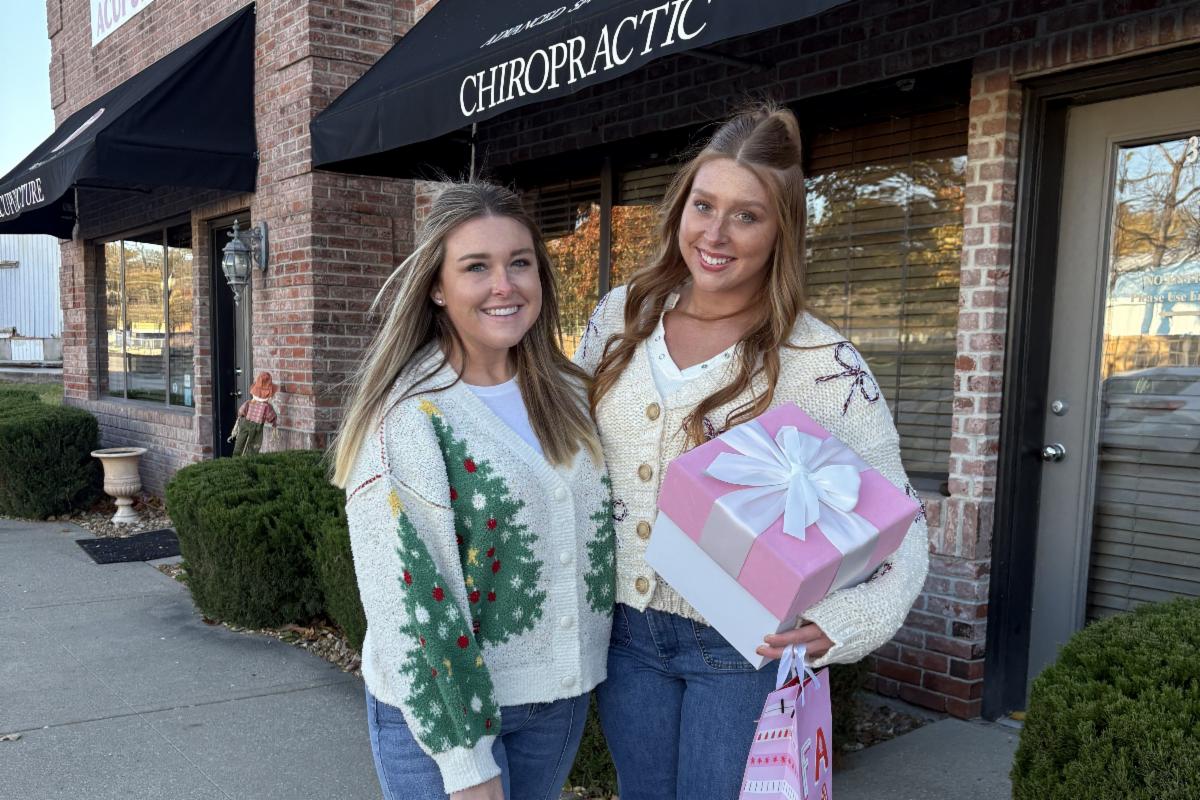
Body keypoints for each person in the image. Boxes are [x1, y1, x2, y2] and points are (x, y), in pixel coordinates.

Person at [574, 103, 930, 799]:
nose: (716, 233)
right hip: (622, 634)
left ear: (781, 231)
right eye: (703, 205)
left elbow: (904, 522)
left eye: (747, 215)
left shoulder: (819, 361)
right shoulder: (622, 317)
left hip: (740, 648)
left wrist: (845, 623)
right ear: (680, 207)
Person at [331, 182, 615, 800]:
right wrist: (465, 762)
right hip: (443, 717)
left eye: (520, 262)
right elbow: (410, 594)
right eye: (476, 267)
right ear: (437, 286)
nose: (504, 285)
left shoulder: (571, 394)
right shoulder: (409, 415)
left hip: (555, 702)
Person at [229, 371, 278, 455]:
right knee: (254, 446)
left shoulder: (249, 403)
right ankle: (249, 460)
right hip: (257, 427)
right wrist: (274, 424)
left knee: (240, 443)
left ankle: (236, 459)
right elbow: (271, 417)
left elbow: (241, 412)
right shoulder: (267, 407)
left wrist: (239, 419)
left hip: (245, 423)